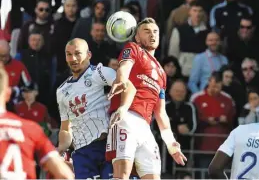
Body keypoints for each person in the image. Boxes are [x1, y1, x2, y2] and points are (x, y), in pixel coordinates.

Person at [106, 18, 187, 179]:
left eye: (155, 31)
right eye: (147, 31)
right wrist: (121, 80)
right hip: (125, 118)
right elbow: (124, 68)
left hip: (145, 128)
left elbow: (161, 113)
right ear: (136, 37)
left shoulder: (162, 74)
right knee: (121, 175)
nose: (152, 34)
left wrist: (171, 145)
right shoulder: (133, 48)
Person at [56, 38, 136, 179]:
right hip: (82, 153)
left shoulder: (99, 73)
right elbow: (65, 128)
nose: (73, 58)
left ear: (89, 55)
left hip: (108, 146)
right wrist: (60, 149)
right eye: (68, 54)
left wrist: (122, 109)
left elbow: (129, 87)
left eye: (78, 53)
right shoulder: (62, 91)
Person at [0, 66, 74, 179]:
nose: (27, 95)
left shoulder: (41, 109)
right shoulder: (28, 123)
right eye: (25, 92)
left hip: (34, 143)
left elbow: (50, 125)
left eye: (30, 92)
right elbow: (65, 175)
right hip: (31, 140)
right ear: (8, 94)